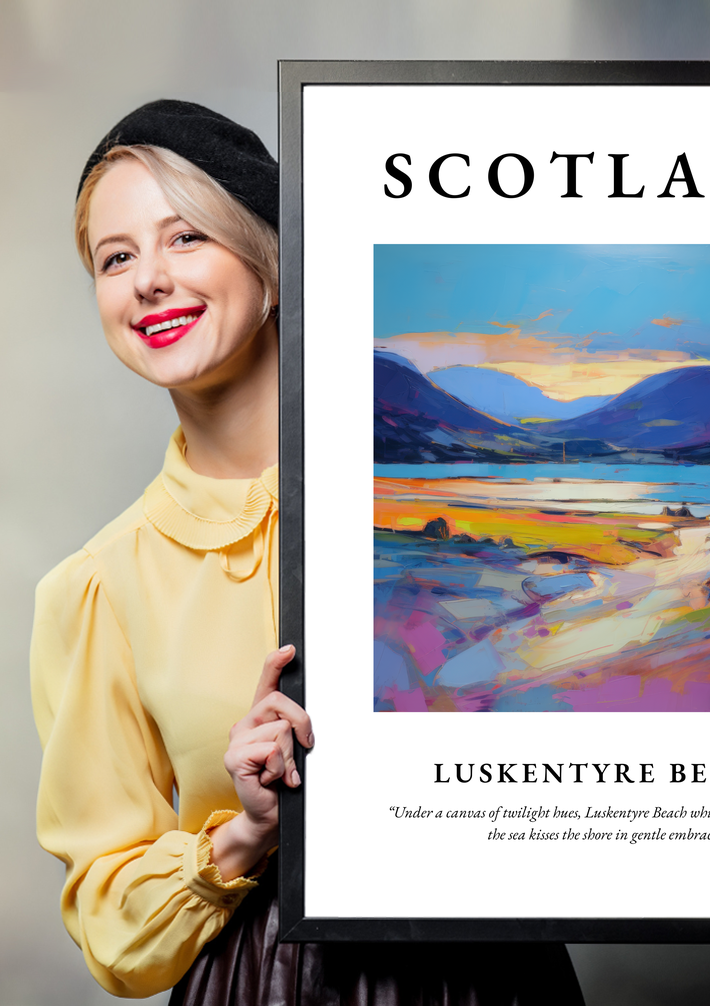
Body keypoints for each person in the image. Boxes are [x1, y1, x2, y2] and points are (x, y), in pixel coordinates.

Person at [30, 100, 586, 1004]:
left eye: (185, 238)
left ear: (272, 263)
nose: (148, 281)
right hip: (262, 982)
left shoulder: (434, 505)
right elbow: (110, 923)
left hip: (493, 973)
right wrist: (245, 832)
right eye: (116, 257)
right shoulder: (97, 587)